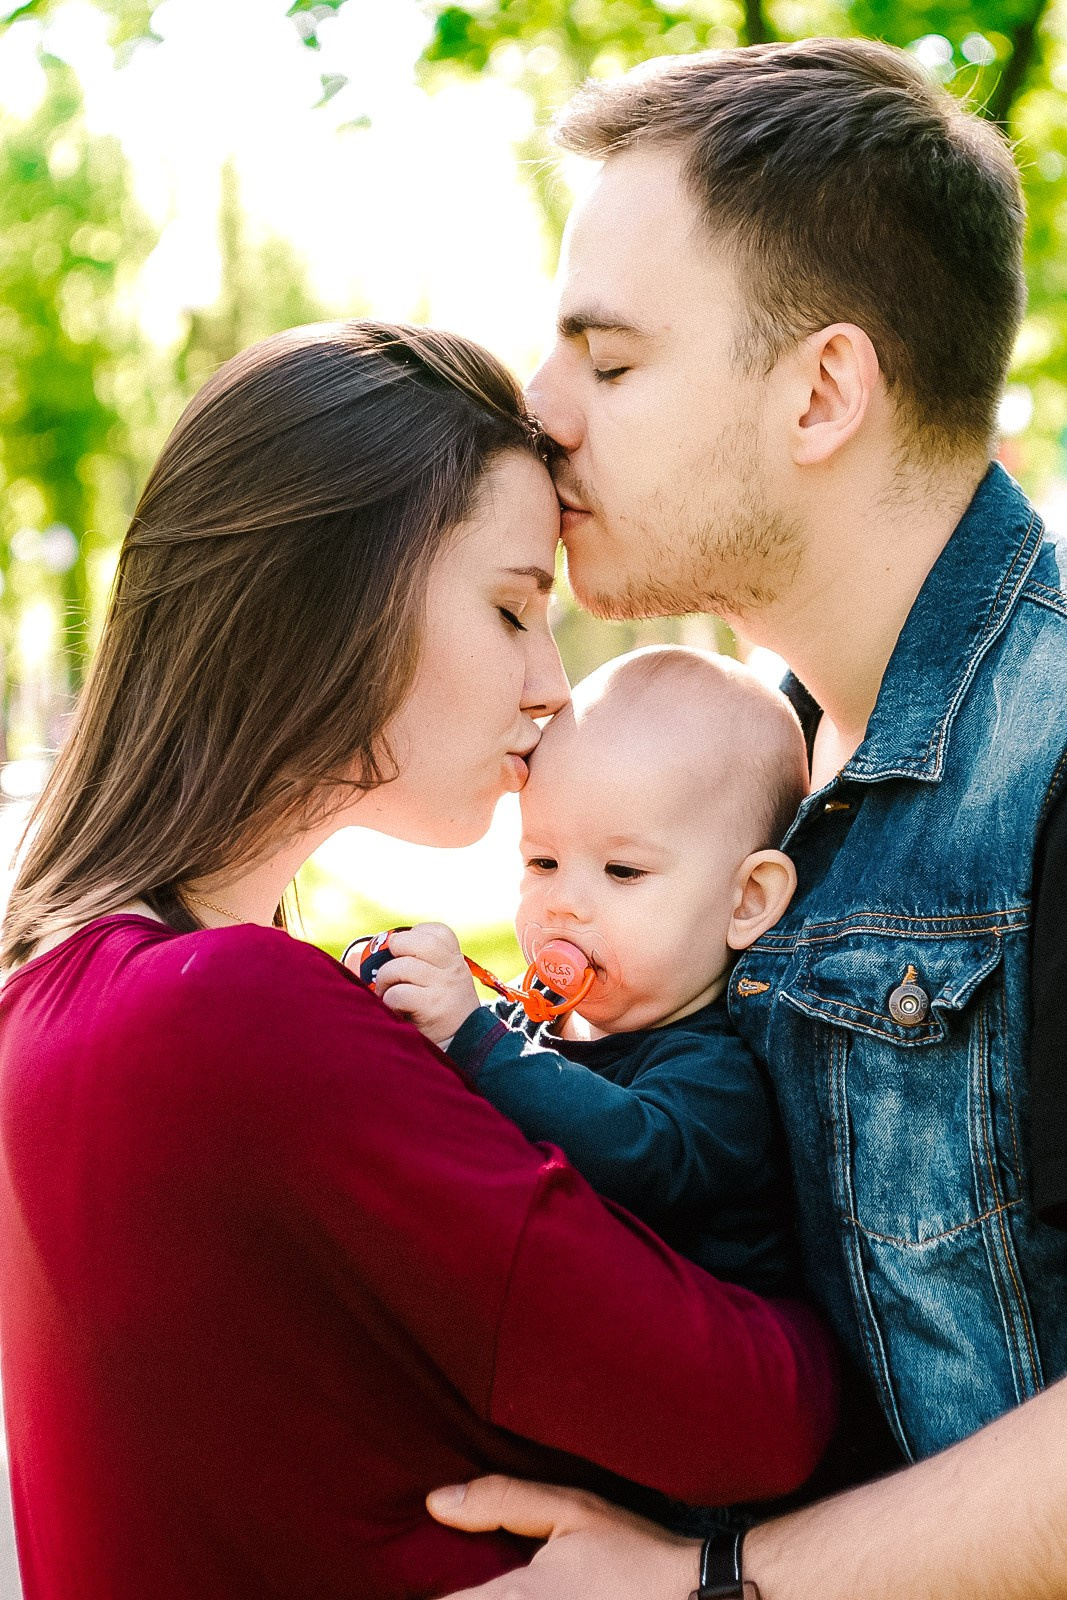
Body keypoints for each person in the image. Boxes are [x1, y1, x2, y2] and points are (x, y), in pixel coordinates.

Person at [0, 321, 837, 1600]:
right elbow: (758, 1412)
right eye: (511, 607)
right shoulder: (234, 1014)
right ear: (330, 597)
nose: (553, 684)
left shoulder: (55, 987)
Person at [421, 36, 1067, 1600]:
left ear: (821, 390)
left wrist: (714, 1586)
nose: (540, 408)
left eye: (610, 357)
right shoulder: (751, 764)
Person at [364, 645, 808, 1294]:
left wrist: (469, 1039)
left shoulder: (721, 1075)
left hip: (700, 1371)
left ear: (746, 901)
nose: (562, 903)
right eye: (542, 862)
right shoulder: (524, 1026)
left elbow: (635, 1157)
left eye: (621, 871)